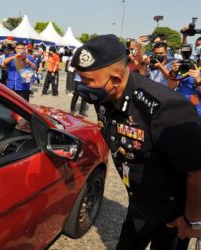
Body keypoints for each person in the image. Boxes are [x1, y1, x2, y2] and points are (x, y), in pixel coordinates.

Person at [71, 34, 201, 250]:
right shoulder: (105, 97)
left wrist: (192, 222)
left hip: (172, 216)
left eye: (87, 81)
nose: (82, 87)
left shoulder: (164, 108)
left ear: (115, 80)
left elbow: (197, 170)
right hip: (139, 205)